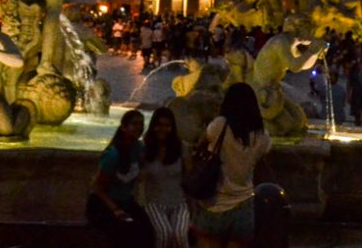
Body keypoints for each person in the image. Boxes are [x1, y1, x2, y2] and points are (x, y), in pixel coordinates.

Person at [194, 81, 272, 248]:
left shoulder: (219, 125)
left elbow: (200, 143)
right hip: (244, 205)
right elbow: (261, 159)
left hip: (215, 203)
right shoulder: (263, 136)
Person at [88, 108, 153, 248]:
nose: (139, 127)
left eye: (141, 124)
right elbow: (97, 187)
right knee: (125, 231)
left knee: (148, 230)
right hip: (103, 204)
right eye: (134, 124)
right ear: (124, 127)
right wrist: (116, 209)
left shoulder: (139, 149)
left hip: (126, 202)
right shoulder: (113, 155)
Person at [136, 107, 189, 248]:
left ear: (172, 127)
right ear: (153, 126)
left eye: (167, 126)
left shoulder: (181, 148)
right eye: (159, 125)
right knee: (164, 233)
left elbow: (189, 177)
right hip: (154, 203)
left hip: (179, 203)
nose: (162, 129)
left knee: (180, 235)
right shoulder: (144, 149)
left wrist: (193, 207)